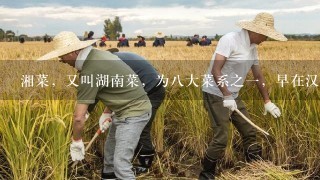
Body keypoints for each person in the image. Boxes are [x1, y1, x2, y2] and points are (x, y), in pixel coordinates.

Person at [37, 31, 152, 179]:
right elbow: (117, 87)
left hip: (134, 114)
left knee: (121, 165)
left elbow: (78, 117)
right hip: (124, 111)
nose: (61, 60)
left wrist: (76, 142)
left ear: (73, 52)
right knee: (109, 158)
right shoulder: (99, 56)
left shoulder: (90, 69)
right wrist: (107, 111)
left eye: (62, 55)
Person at [200, 12, 287, 179]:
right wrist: (226, 95)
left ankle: (255, 170)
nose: (266, 39)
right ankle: (206, 175)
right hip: (215, 93)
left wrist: (267, 101)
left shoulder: (252, 48)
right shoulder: (230, 40)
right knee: (221, 138)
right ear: (256, 32)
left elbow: (258, 76)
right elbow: (215, 70)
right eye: (266, 35)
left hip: (233, 94)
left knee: (249, 132)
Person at [87, 51, 165, 175]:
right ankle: (118, 164)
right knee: (123, 127)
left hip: (151, 90)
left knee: (141, 126)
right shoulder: (115, 60)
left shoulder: (111, 64)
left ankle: (145, 164)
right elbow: (118, 91)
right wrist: (107, 112)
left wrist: (84, 114)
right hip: (147, 87)